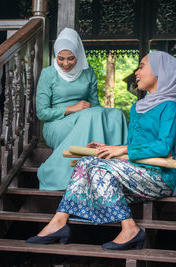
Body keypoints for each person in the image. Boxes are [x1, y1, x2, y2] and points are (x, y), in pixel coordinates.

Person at [27, 51, 176, 250]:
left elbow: (163, 147)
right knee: (86, 161)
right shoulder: (137, 107)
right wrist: (105, 149)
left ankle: (128, 228)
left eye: (141, 66)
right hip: (134, 175)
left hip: (159, 177)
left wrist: (120, 149)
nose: (136, 72)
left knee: (98, 170)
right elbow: (133, 147)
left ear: (160, 72)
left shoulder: (170, 107)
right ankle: (59, 222)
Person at [36, 28, 128, 191]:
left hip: (87, 117)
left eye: (71, 58)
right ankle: (73, 176)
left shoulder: (88, 72)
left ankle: (116, 170)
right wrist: (71, 109)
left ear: (78, 54)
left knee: (115, 114)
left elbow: (95, 105)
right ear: (55, 56)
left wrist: (101, 115)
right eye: (61, 58)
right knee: (91, 115)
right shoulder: (48, 74)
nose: (65, 64)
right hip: (57, 124)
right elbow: (42, 113)